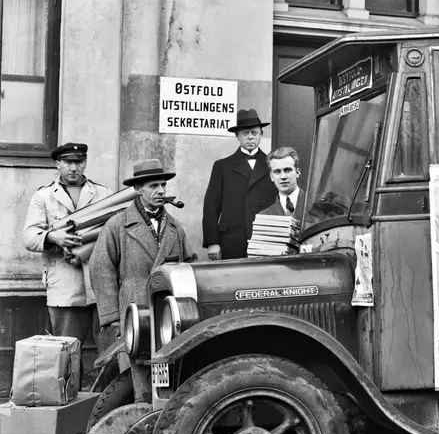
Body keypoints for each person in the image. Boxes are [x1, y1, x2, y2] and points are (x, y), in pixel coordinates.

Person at [90, 159, 197, 349]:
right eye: (154, 186)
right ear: (138, 189)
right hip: (133, 310)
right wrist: (113, 317)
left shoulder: (175, 227)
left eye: (163, 185)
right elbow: (101, 269)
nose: (162, 191)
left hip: (168, 312)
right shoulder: (117, 225)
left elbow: (190, 265)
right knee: (135, 366)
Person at [21, 142, 112, 346]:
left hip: (101, 284)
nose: (73, 167)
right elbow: (29, 236)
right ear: (57, 164)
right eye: (68, 162)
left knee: (110, 351)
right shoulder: (44, 196)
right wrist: (53, 237)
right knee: (66, 351)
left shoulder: (103, 194)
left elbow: (115, 231)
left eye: (78, 162)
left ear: (85, 163)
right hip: (64, 285)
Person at [202, 108, 276, 260]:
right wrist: (212, 242)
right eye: (245, 133)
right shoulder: (222, 166)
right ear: (237, 136)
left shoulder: (273, 165)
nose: (250, 138)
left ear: (261, 134)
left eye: (254, 133)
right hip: (231, 240)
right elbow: (211, 206)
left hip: (266, 237)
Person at [257, 146, 303, 218]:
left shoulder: (317, 206)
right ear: (271, 176)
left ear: (297, 172)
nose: (283, 177)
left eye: (287, 170)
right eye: (277, 172)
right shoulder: (264, 216)